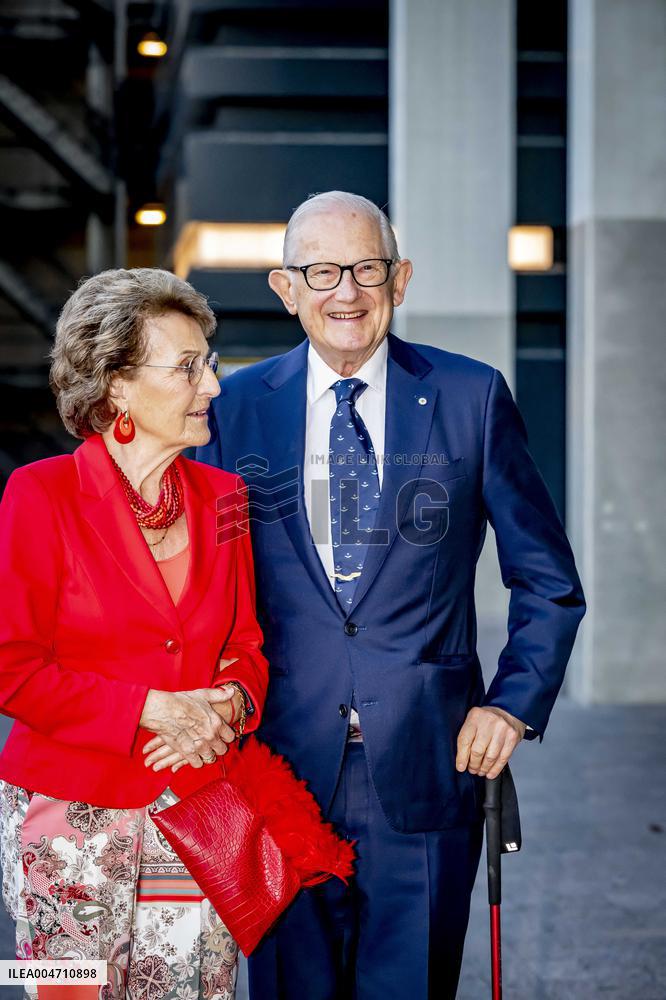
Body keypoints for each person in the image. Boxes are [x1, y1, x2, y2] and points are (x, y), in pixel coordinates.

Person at [197, 191, 586, 1000]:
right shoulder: (233, 410)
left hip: (427, 764)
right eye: (323, 271)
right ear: (285, 288)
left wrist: (511, 704)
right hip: (276, 765)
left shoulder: (470, 396)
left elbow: (547, 580)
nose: (347, 292)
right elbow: (195, 580)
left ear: (399, 280)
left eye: (366, 268)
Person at [0, 268, 269, 1000]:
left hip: (195, 805)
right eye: (187, 368)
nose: (211, 385)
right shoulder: (38, 493)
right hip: (62, 820)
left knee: (199, 990)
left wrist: (229, 708)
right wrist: (154, 708)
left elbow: (247, 645)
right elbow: (13, 671)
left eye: (207, 364)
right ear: (116, 384)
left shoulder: (226, 498)